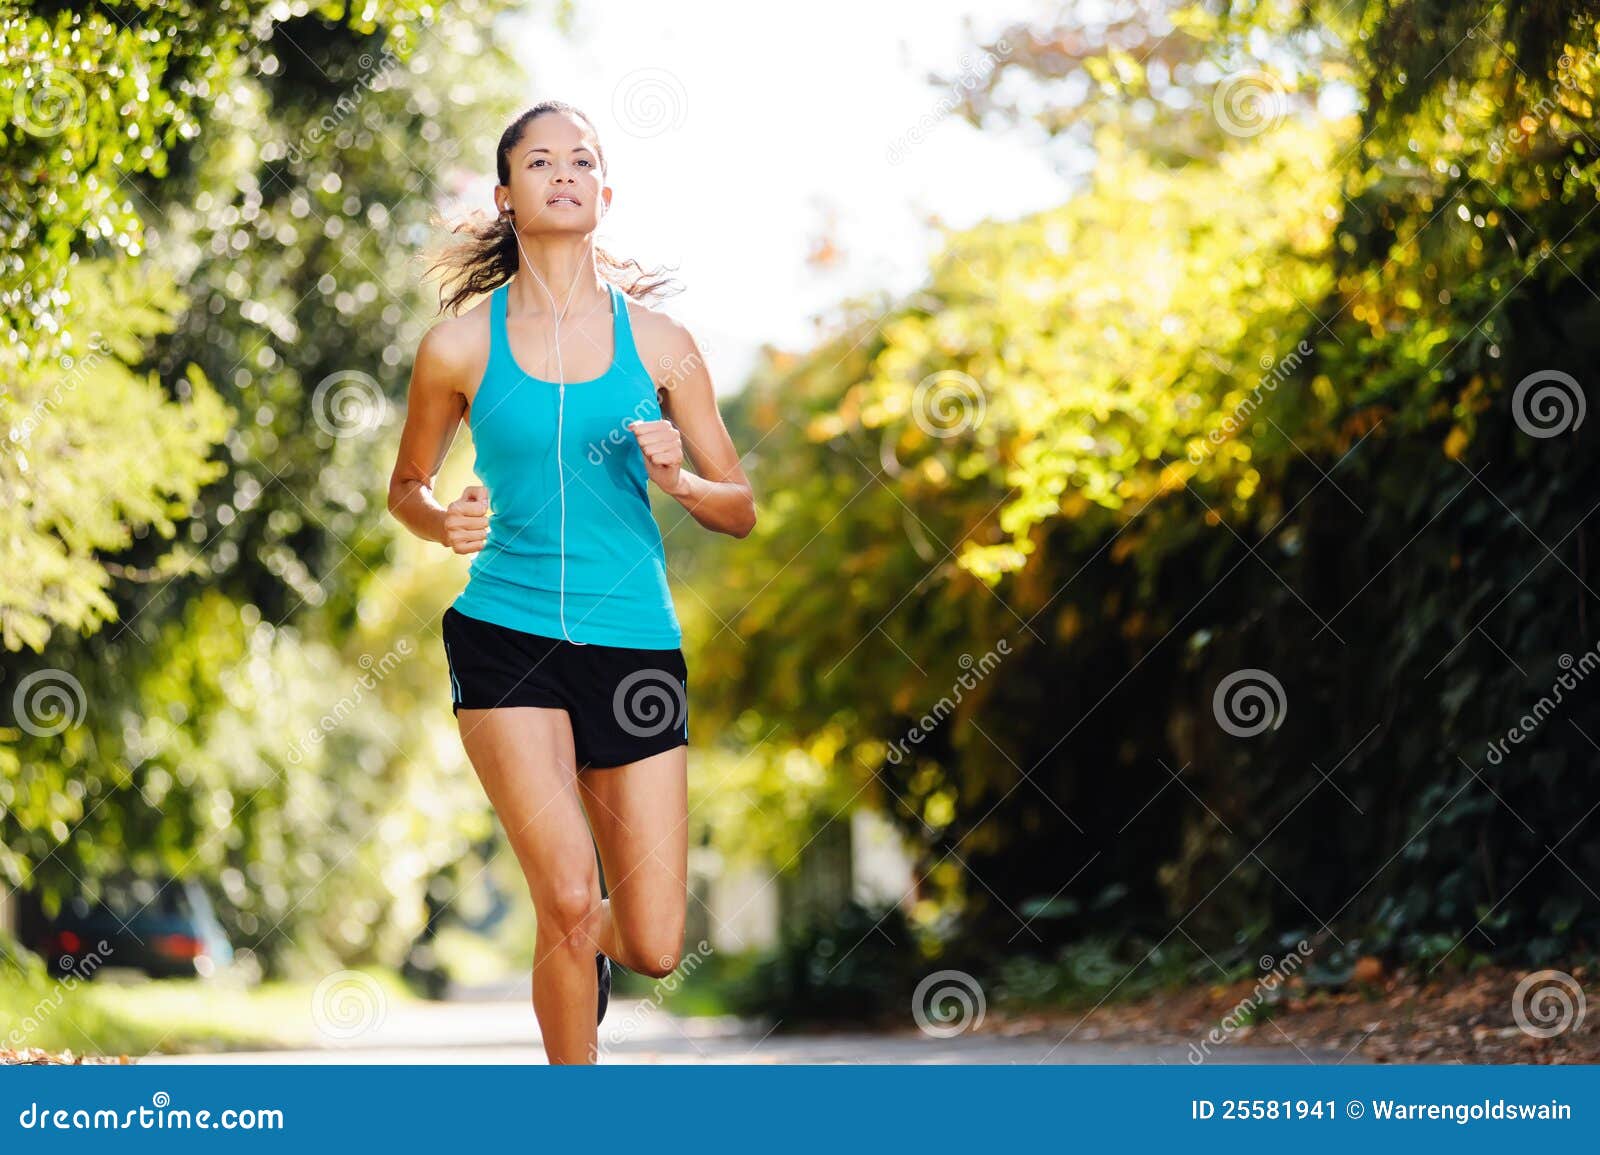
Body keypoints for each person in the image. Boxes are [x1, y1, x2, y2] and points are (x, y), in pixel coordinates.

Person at [386, 100, 756, 1064]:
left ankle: (588, 949)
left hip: (634, 643)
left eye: (581, 161)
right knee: (559, 894)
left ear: (604, 191)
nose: (563, 174)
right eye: (540, 163)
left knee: (652, 941)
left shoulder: (664, 341)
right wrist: (440, 520)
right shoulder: (459, 347)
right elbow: (407, 486)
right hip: (503, 635)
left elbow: (740, 506)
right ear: (507, 197)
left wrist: (679, 479)